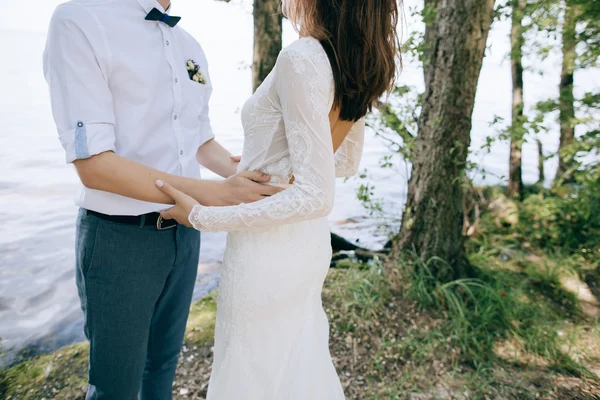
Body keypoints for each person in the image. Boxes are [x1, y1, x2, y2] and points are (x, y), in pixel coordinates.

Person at [156, 0, 401, 398]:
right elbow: (345, 161)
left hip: (266, 250)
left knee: (253, 373)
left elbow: (318, 194)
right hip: (305, 243)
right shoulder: (351, 60)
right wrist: (281, 171)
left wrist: (202, 215)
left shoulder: (303, 57)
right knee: (294, 363)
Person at [43, 0, 281, 398]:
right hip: (120, 240)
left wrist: (249, 178)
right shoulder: (80, 19)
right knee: (114, 386)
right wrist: (216, 194)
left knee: (163, 367)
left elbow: (199, 137)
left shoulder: (188, 44)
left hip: (186, 234)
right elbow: (94, 164)